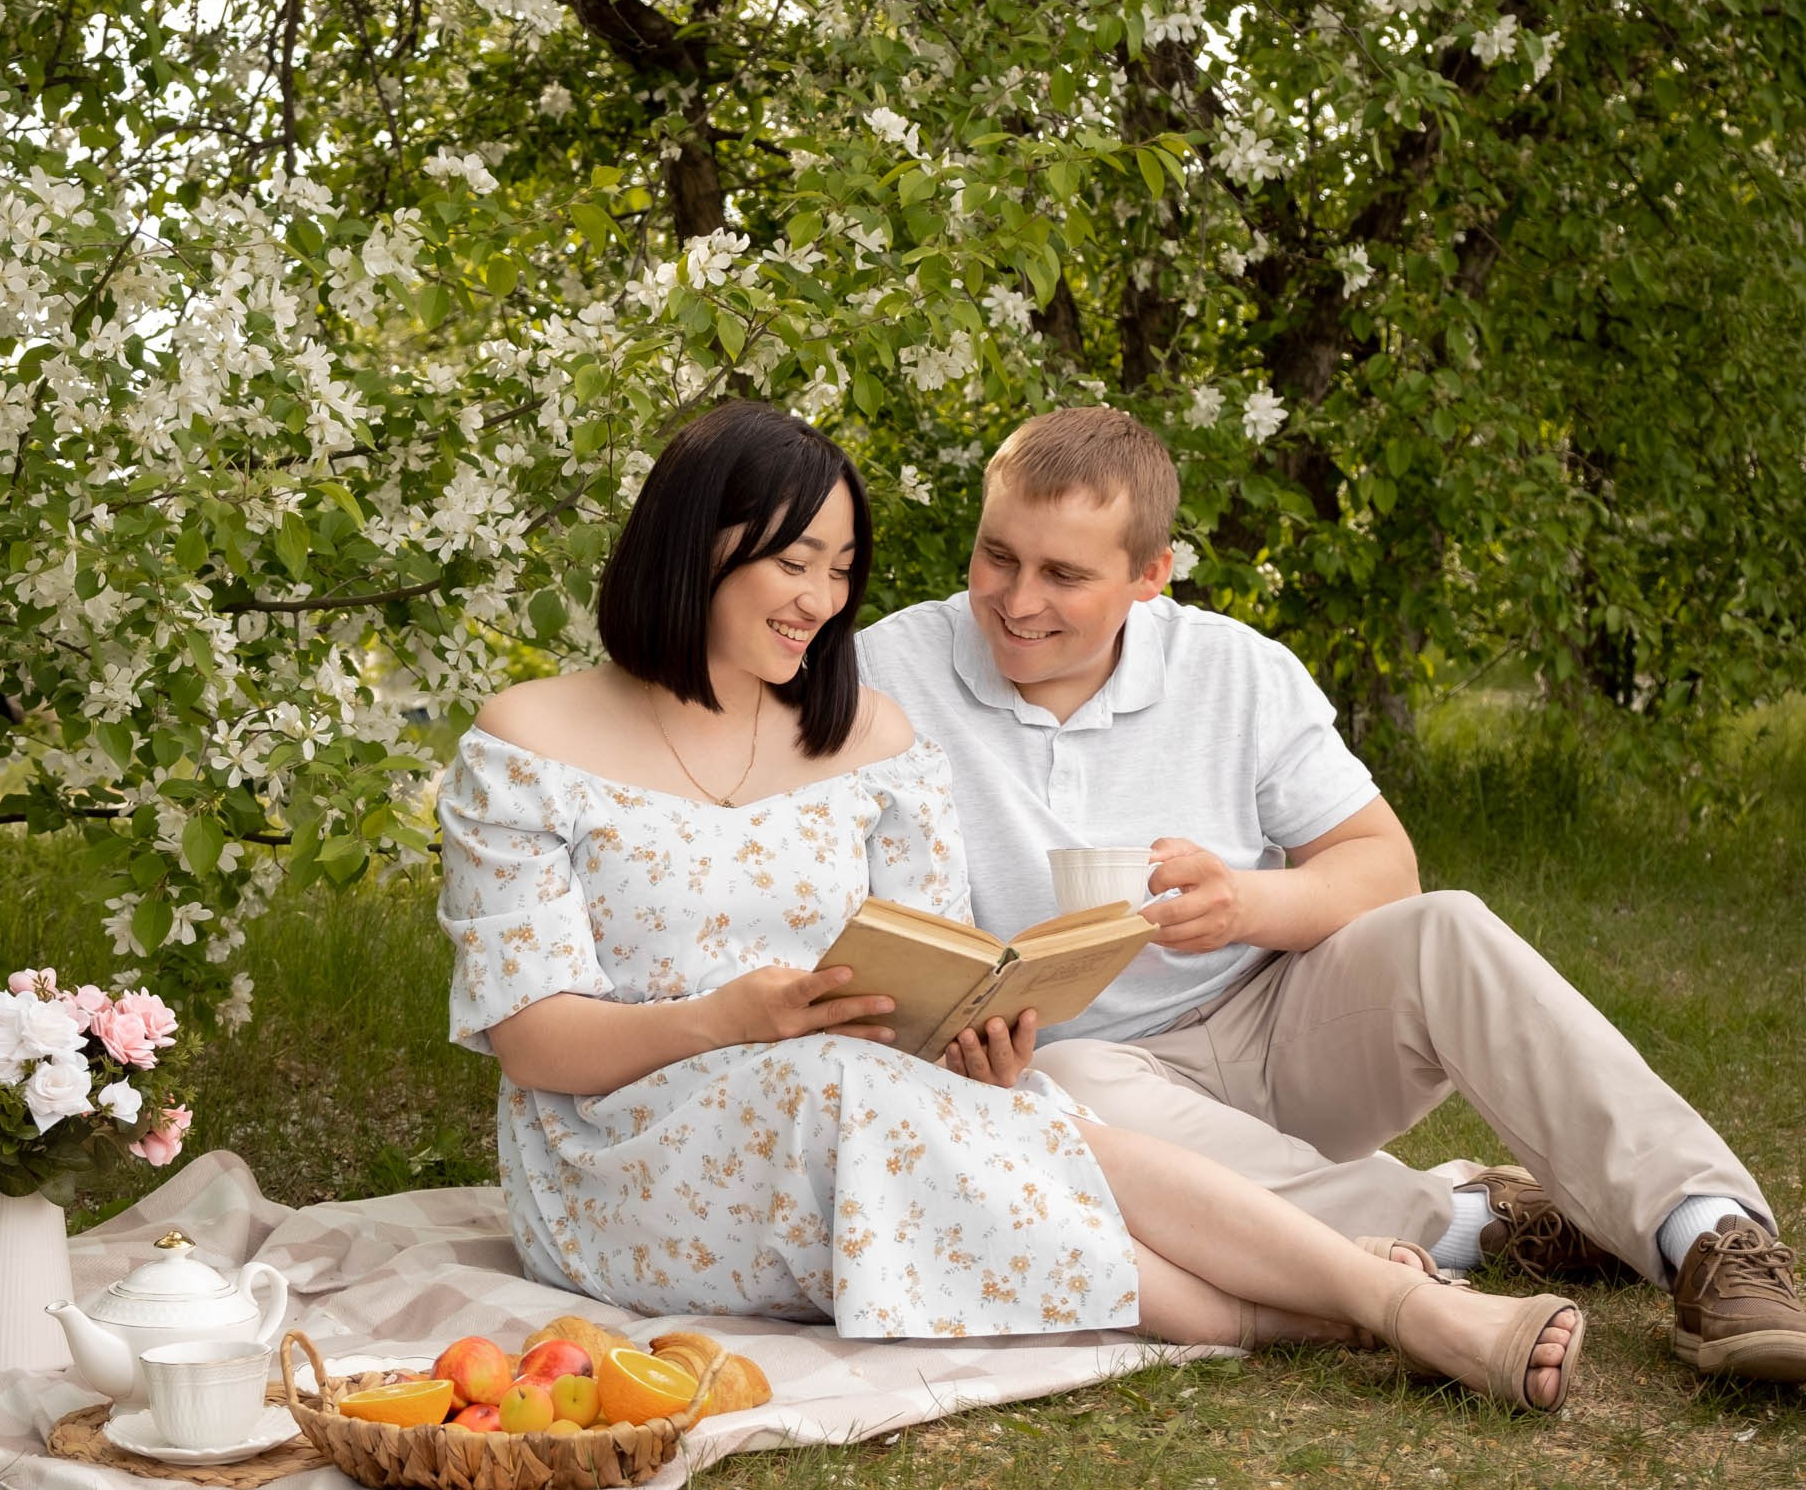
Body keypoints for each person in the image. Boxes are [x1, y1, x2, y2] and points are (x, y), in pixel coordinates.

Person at [437, 400, 1583, 1408]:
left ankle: (1369, 1308)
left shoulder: (868, 739)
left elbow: (933, 973)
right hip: (616, 1154)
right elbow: (533, 1043)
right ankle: (1347, 1305)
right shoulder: (529, 742)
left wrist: (970, 1044)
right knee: (850, 1093)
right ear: (697, 546)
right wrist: (730, 1019)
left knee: (1020, 1116)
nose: (821, 601)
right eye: (794, 563)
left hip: (856, 1111)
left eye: (841, 570)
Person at [854, 403, 1806, 1386]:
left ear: (1150, 574)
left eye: (1063, 575)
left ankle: (1709, 1234)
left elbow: (1381, 863)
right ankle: (1473, 1223)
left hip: (1280, 1027)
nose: (1017, 600)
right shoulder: (885, 671)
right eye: (997, 556)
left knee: (1444, 928)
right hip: (1080, 1077)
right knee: (1075, 1088)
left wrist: (1243, 905)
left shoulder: (1235, 670)